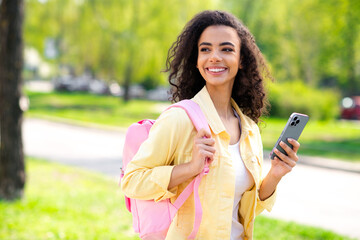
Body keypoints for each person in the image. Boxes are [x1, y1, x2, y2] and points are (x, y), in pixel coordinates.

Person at [121, 10, 300, 240]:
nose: (214, 57)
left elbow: (240, 209)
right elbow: (132, 181)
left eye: (226, 49)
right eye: (205, 49)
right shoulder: (180, 119)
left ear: (241, 59)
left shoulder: (249, 131)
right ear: (196, 60)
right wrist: (190, 168)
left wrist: (275, 174)